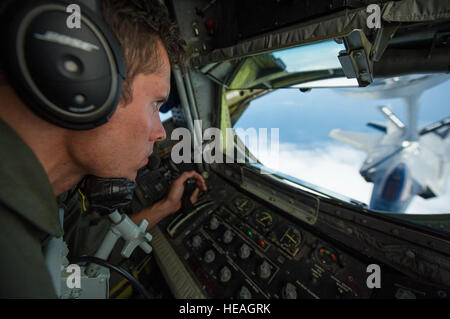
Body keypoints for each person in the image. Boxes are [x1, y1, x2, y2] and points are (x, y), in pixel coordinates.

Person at [0, 0, 206, 298]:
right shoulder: (16, 276)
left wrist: (165, 207)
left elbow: (76, 244)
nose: (161, 133)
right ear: (85, 81)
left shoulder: (49, 195)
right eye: (155, 105)